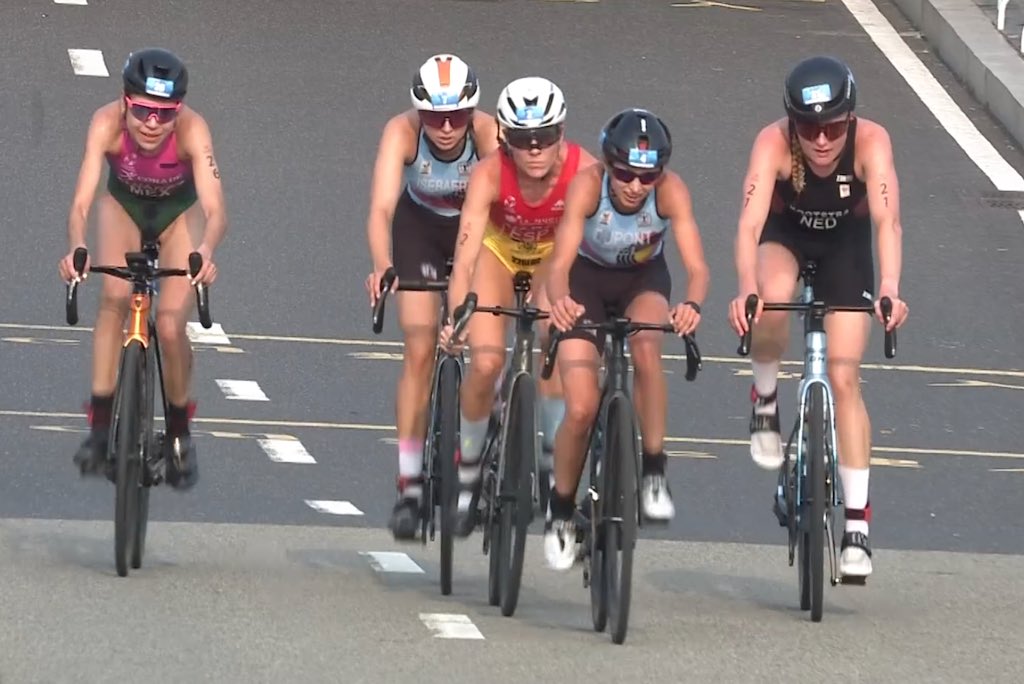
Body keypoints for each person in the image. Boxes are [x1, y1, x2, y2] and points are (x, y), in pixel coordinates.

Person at [726, 55, 909, 580]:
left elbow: (888, 222)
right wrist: (746, 288)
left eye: (832, 127)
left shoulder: (872, 141)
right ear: (792, 124)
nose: (822, 140)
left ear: (850, 119)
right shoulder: (772, 143)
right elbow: (749, 225)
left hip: (845, 247)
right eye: (808, 129)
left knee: (845, 376)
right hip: (786, 237)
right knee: (772, 296)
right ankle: (764, 399)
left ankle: (856, 526)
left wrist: (890, 287)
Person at [543, 108, 710, 570]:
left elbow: (697, 267)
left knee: (647, 348)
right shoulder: (587, 186)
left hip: (642, 280)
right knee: (581, 407)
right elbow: (558, 266)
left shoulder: (671, 191)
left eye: (647, 176)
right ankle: (560, 510)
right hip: (586, 281)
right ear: (607, 164)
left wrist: (692, 305)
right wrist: (559, 302)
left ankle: (653, 469)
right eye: (625, 174)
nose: (636, 186)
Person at [57, 48, 226, 490]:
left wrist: (206, 250)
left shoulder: (193, 130)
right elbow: (80, 203)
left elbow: (215, 208)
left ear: (179, 110)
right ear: (124, 101)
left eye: (165, 114)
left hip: (178, 216)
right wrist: (76, 247)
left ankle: (179, 433)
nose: (152, 123)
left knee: (169, 325)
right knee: (113, 299)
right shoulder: (104, 123)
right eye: (142, 110)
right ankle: (99, 427)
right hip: (125, 208)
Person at [441, 76, 598, 537]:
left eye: (545, 137)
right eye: (524, 139)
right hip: (499, 253)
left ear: (561, 132)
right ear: (505, 139)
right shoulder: (488, 174)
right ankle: (469, 473)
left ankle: (552, 468)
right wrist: (457, 318)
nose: (535, 149)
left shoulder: (586, 171)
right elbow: (464, 258)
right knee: (487, 362)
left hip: (553, 257)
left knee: (554, 341)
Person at [363, 53, 499, 540]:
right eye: (434, 117)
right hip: (419, 228)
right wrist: (383, 265)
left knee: (485, 341)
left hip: (476, 231)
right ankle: (409, 485)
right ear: (418, 113)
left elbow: (507, 201)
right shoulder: (401, 132)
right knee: (420, 347)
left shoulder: (489, 134)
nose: (444, 128)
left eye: (456, 117)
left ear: (471, 113)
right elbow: (381, 209)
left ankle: (488, 420)